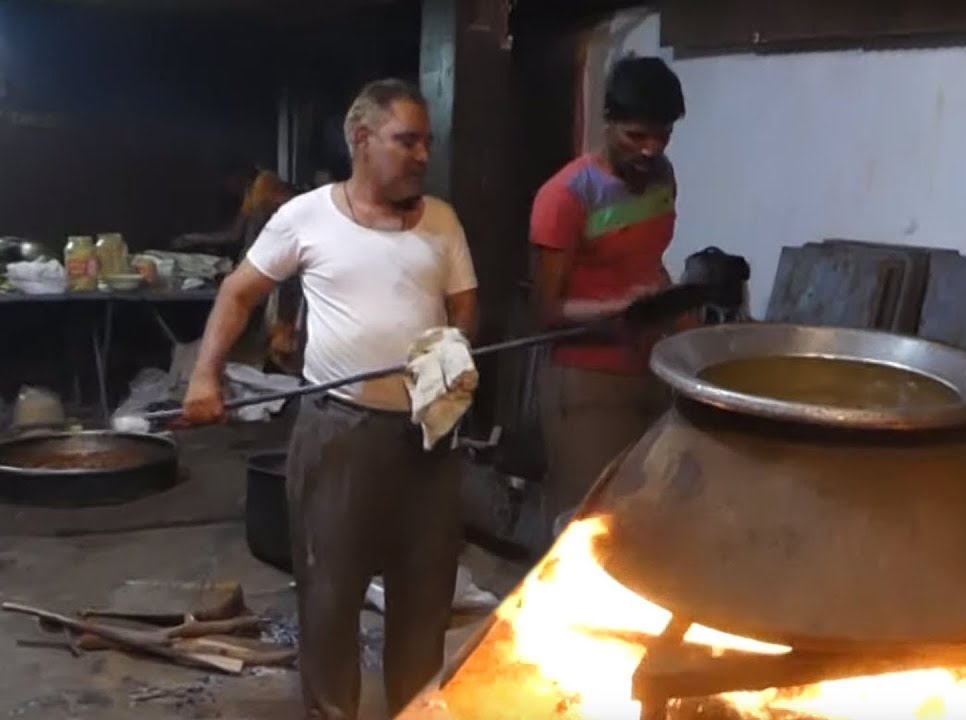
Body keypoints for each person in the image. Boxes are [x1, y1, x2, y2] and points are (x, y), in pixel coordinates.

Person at [181, 78, 478, 719]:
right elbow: (238, 293)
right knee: (330, 595)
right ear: (361, 140)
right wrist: (206, 377)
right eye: (407, 141)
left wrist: (452, 353)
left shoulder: (443, 221)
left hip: (429, 433)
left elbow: (463, 306)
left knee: (425, 596)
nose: (422, 154)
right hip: (339, 432)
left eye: (426, 141)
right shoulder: (305, 216)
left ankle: (415, 711)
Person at [530, 55, 686, 533]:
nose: (650, 149)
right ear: (608, 121)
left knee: (649, 518)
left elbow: (648, 261)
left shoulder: (662, 177)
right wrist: (623, 307)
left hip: (652, 366)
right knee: (590, 525)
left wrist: (674, 304)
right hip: (587, 378)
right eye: (636, 136)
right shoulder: (566, 197)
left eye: (661, 136)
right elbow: (548, 310)